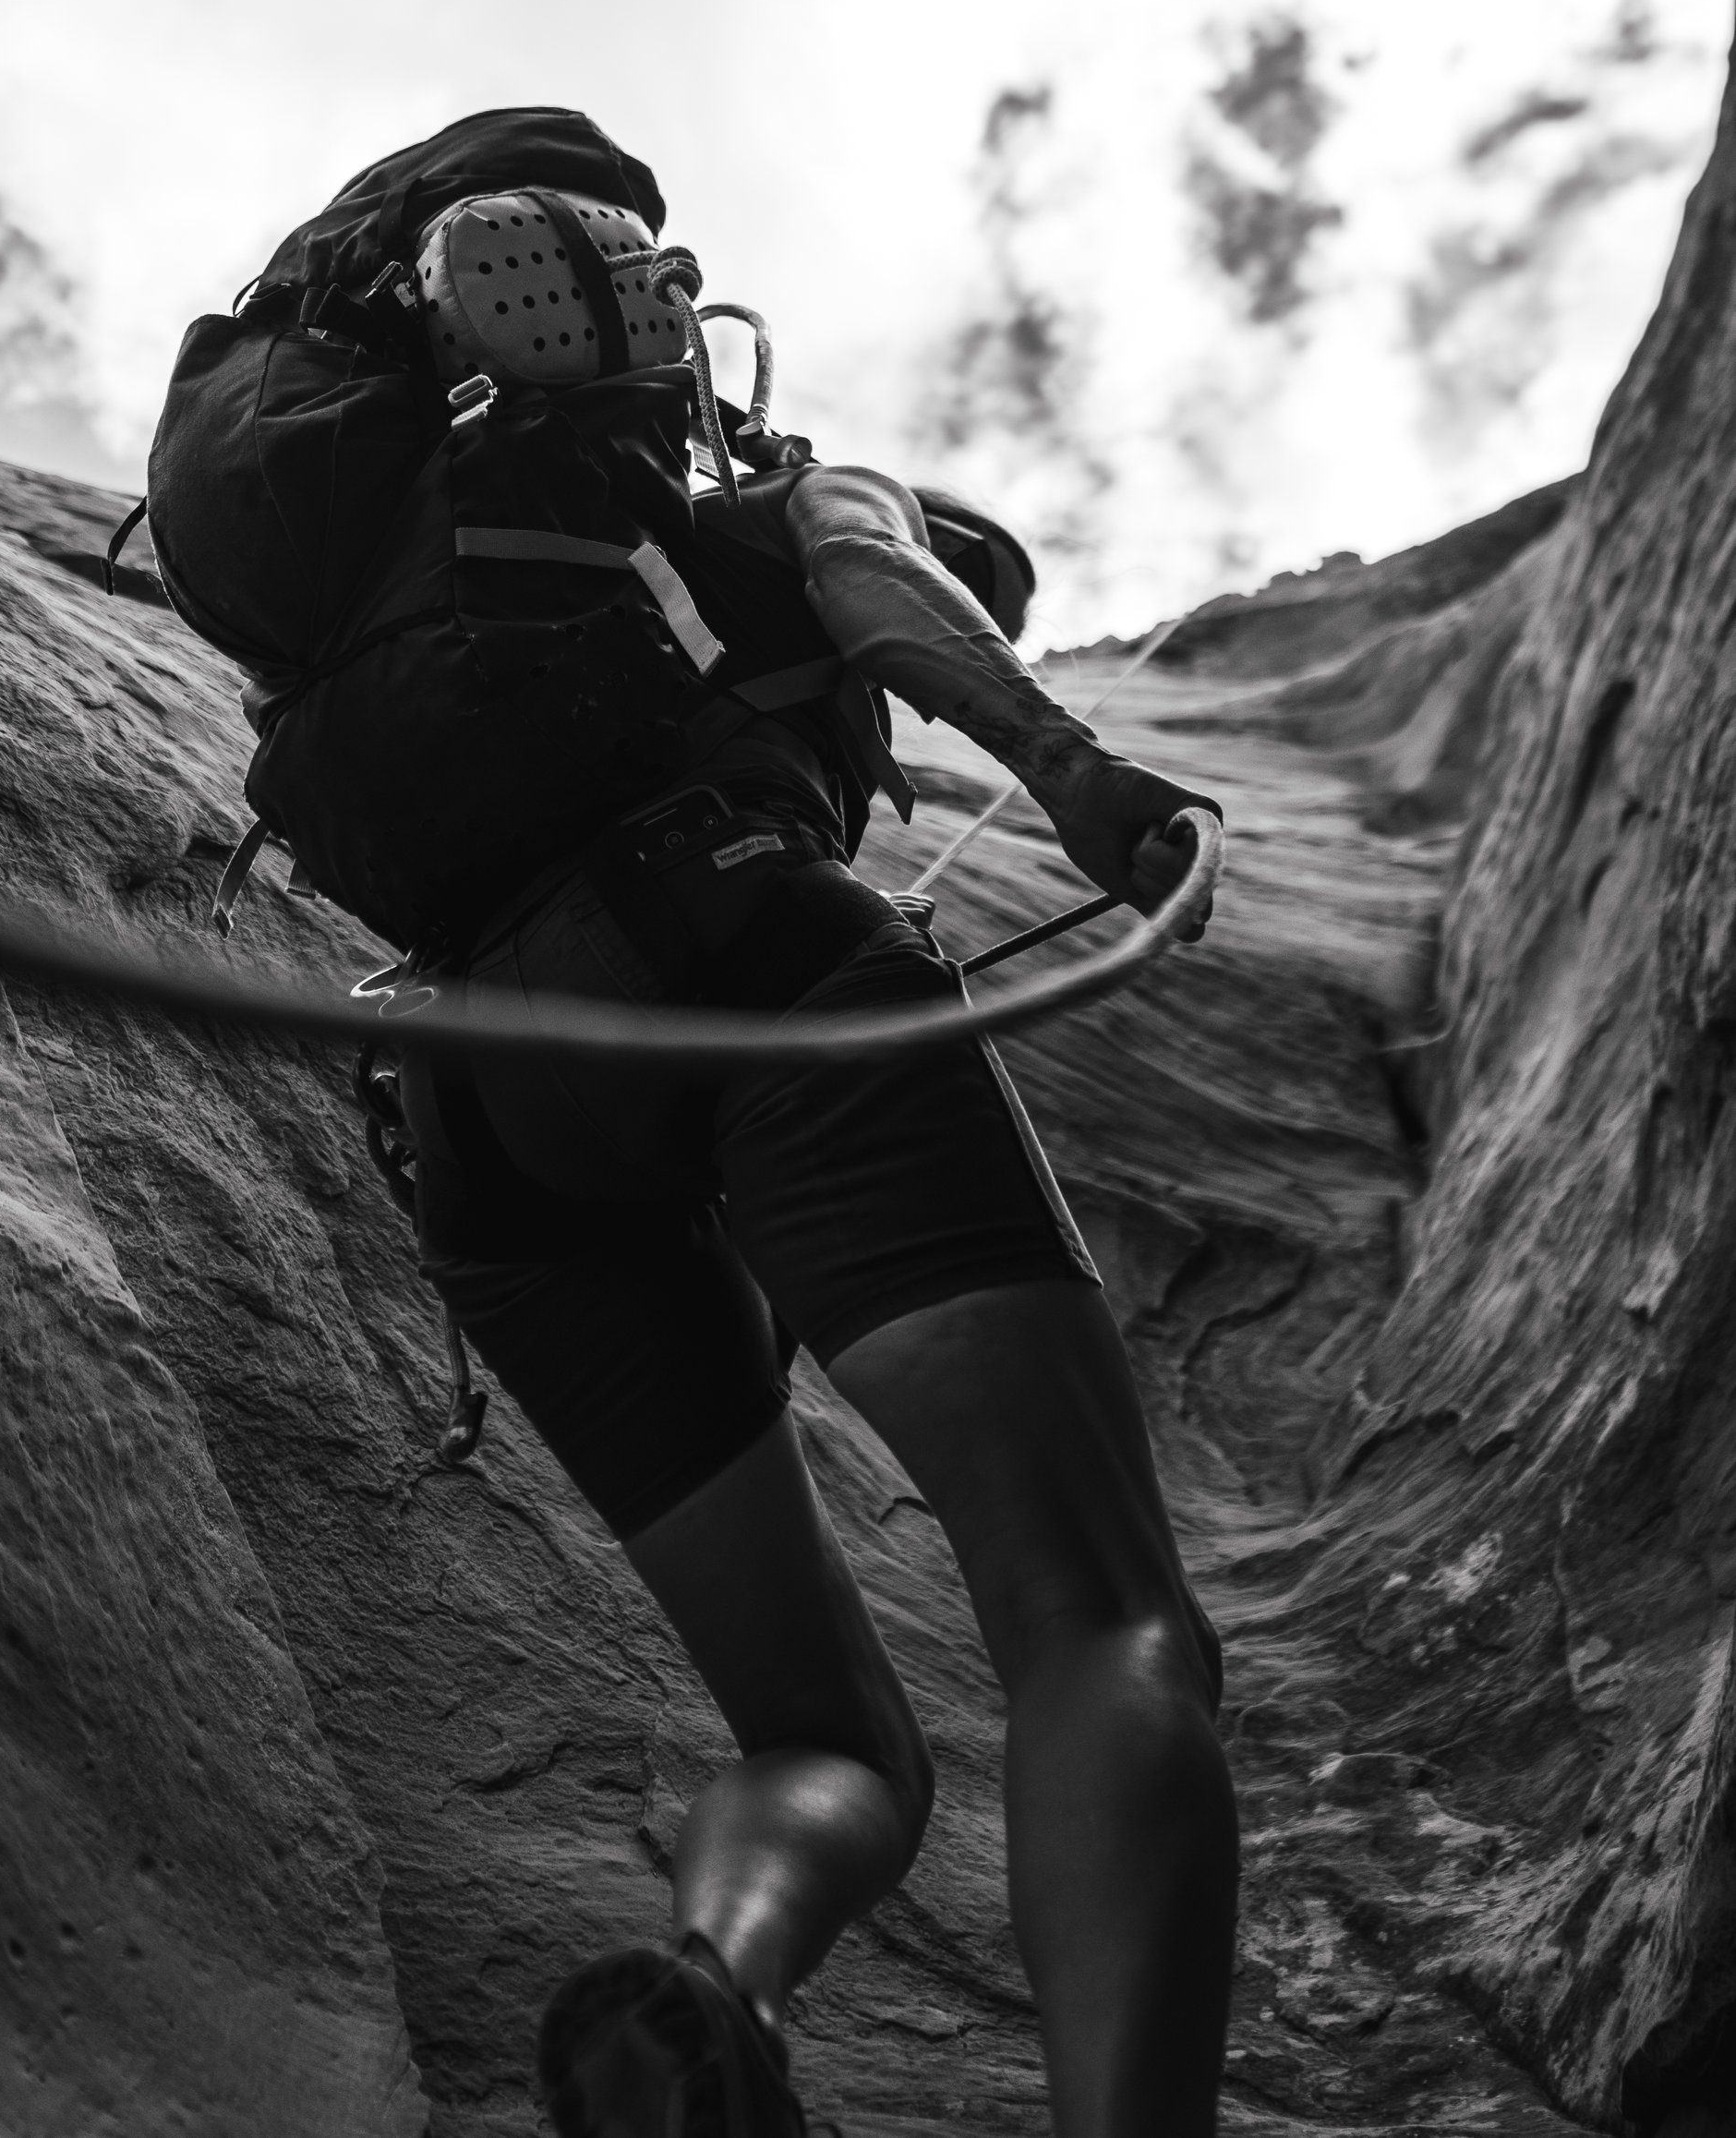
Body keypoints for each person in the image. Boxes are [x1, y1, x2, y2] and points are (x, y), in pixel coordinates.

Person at [398, 449, 1236, 2138]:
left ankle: (718, 1980)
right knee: (1100, 1619)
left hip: (477, 1097)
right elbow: (873, 573)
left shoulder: (539, 582)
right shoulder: (811, 499)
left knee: (827, 1733)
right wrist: (1062, 761)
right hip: (730, 935)